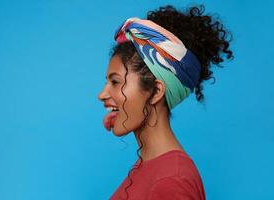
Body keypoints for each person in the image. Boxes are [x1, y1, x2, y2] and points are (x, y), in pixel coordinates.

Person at [98, 4, 233, 200]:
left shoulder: (171, 180)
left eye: (115, 82)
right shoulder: (150, 167)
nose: (102, 94)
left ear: (156, 92)